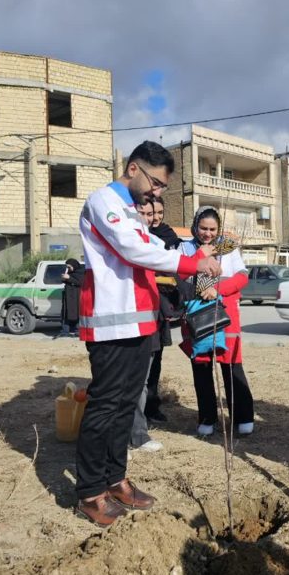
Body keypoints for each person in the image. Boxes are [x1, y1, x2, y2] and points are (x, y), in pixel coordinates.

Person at [75, 140, 220, 527]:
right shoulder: (103, 201)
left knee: (126, 405)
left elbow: (151, 244)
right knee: (105, 404)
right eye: (156, 183)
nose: (157, 193)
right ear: (134, 168)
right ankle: (90, 491)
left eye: (162, 188)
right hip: (110, 321)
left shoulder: (130, 210)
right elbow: (132, 249)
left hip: (139, 321)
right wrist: (192, 262)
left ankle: (114, 477)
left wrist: (200, 260)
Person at [177, 206, 255, 437]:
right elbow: (179, 275)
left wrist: (218, 289)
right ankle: (207, 418)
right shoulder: (185, 247)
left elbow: (242, 277)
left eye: (212, 229)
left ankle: (243, 416)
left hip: (226, 313)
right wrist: (200, 255)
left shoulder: (228, 248)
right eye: (203, 228)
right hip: (196, 312)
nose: (208, 234)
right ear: (195, 226)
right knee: (201, 367)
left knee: (232, 366)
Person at [127, 200, 164, 454]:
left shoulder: (156, 240)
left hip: (150, 320)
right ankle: (128, 437)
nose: (150, 218)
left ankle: (137, 434)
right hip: (127, 324)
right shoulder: (126, 241)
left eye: (154, 213)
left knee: (142, 381)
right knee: (128, 383)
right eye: (145, 212)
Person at [145, 196, 182, 423]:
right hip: (141, 302)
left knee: (156, 358)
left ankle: (152, 405)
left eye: (159, 212)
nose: (155, 217)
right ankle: (137, 410)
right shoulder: (137, 236)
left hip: (161, 306)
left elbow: (176, 266)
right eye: (150, 213)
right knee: (141, 359)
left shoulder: (169, 236)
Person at [60, 258, 84, 336]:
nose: (68, 269)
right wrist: (64, 278)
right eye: (67, 267)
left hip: (77, 297)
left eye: (69, 267)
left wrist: (69, 278)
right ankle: (65, 331)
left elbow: (80, 282)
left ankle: (78, 331)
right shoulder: (69, 272)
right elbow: (67, 281)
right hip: (69, 297)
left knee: (77, 313)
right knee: (67, 313)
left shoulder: (81, 272)